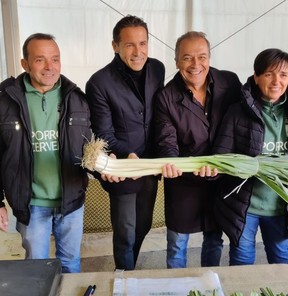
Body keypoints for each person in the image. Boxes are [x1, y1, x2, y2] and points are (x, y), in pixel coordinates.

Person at [209, 48, 288, 265]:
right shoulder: (237, 113)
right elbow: (220, 156)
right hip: (245, 208)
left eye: (283, 75)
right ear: (257, 76)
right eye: (269, 74)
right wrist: (216, 169)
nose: (276, 81)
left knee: (283, 263)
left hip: (282, 206)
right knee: (242, 264)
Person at [0, 33, 92, 273]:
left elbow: (90, 147)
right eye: (40, 60)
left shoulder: (77, 98)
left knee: (71, 264)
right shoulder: (6, 101)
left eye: (55, 59)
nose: (50, 67)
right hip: (31, 203)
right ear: (25, 64)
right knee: (36, 269)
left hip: (71, 201)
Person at [154, 31, 242, 268]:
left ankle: (208, 285)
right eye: (187, 58)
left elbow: (267, 85)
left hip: (220, 178)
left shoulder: (230, 83)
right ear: (176, 62)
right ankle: (176, 293)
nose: (196, 65)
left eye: (202, 57)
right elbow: (166, 140)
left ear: (210, 58)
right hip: (183, 181)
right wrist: (172, 163)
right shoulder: (166, 97)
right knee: (177, 243)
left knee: (214, 239)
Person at [85, 15, 165, 270]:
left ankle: (130, 267)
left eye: (143, 43)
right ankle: (124, 278)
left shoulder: (158, 68)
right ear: (115, 46)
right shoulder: (99, 82)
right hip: (121, 168)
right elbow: (104, 133)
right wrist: (127, 154)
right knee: (125, 231)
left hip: (150, 166)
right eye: (130, 45)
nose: (138, 51)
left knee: (143, 225)